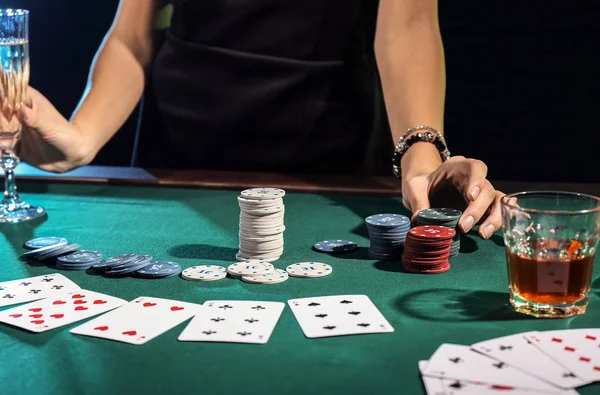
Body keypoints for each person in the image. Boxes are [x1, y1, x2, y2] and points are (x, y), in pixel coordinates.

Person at [16, 0, 503, 239]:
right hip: (181, 153)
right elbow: (133, 35)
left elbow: (408, 24)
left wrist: (422, 160)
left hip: (330, 150)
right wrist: (81, 139)